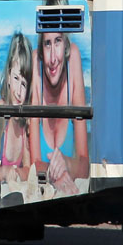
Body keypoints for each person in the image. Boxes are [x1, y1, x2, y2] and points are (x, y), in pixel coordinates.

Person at [29, 31, 89, 196]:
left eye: (58, 42)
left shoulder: (73, 57)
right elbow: (33, 165)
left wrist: (67, 165)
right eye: (47, 44)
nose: (53, 58)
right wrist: (54, 172)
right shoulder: (36, 62)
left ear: (66, 45)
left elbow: (85, 163)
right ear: (41, 49)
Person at [0, 32, 34, 183]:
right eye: (16, 78)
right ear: (8, 76)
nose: (19, 91)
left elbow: (28, 169)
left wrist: (17, 172)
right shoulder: (1, 113)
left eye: (24, 84)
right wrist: (5, 172)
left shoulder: (24, 123)